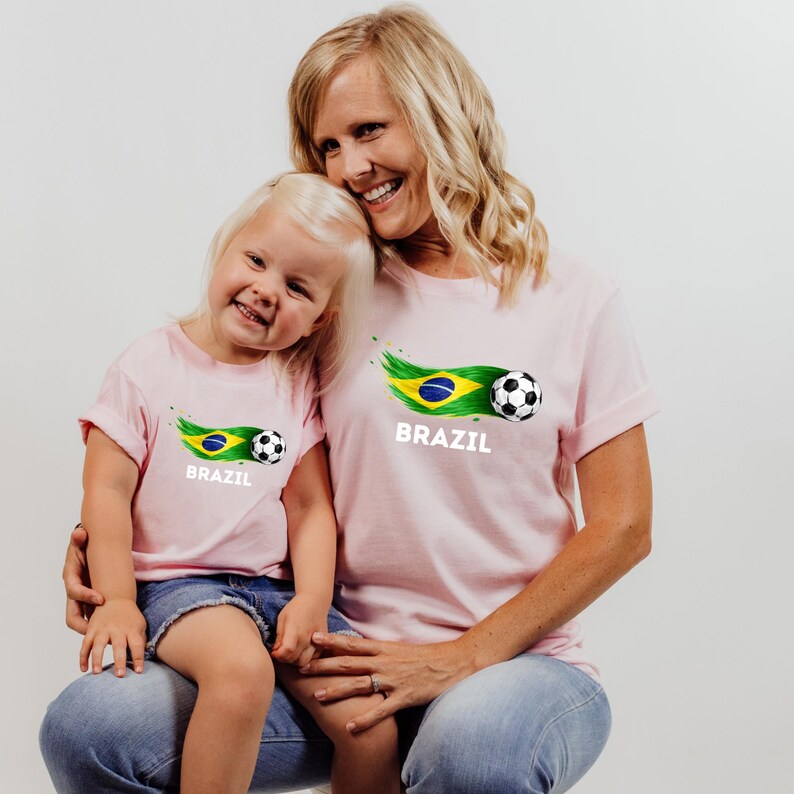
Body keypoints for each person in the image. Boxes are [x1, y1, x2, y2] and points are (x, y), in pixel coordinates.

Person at [41, 5, 658, 792]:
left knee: (472, 756)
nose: (350, 165)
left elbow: (624, 525)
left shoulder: (575, 299)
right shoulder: (326, 295)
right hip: (327, 653)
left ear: (440, 112)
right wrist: (116, 563)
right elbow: (213, 421)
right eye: (328, 145)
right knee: (89, 729)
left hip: (513, 667)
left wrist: (458, 658)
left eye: (370, 130)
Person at [62, 171, 400, 794]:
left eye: (297, 286)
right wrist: (114, 599)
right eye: (256, 259)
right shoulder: (147, 366)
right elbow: (106, 493)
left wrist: (311, 600)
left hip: (274, 594)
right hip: (181, 588)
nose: (266, 290)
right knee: (241, 672)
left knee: (371, 723)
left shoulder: (294, 386)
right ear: (224, 244)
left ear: (321, 320)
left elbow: (310, 509)